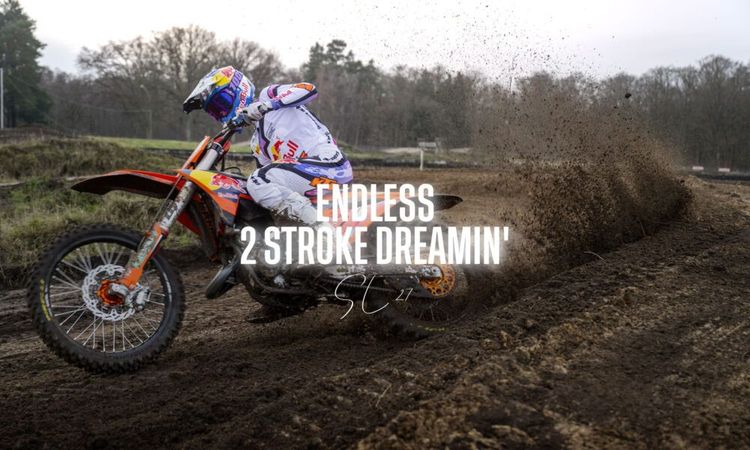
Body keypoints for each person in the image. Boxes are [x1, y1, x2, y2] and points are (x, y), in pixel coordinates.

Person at [182, 66, 353, 225]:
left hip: (330, 164)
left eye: (221, 103)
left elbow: (308, 89)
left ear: (237, 89)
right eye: (215, 111)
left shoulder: (269, 96)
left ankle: (321, 227)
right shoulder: (257, 144)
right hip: (308, 181)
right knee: (252, 187)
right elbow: (272, 186)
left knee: (258, 180)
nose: (221, 112)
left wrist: (266, 106)